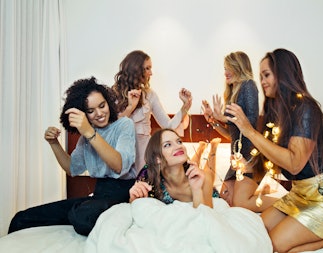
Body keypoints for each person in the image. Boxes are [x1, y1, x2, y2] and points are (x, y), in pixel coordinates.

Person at [225, 48, 323, 252]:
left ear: (282, 75)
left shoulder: (306, 109)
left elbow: (294, 162)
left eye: (266, 75)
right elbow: (267, 158)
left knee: (276, 245)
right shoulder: (276, 115)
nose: (262, 82)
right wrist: (241, 171)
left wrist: (249, 131)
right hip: (299, 193)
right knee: (258, 231)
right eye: (261, 76)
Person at [8, 77, 137, 236]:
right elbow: (71, 168)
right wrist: (54, 143)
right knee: (22, 218)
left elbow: (119, 165)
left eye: (102, 106)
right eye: (90, 111)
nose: (99, 114)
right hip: (98, 197)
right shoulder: (85, 139)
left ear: (108, 103)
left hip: (123, 196)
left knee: (84, 215)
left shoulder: (124, 125)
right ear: (84, 114)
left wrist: (89, 131)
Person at [201, 51, 271, 211]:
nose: (225, 72)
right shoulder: (233, 93)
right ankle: (263, 191)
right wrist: (213, 121)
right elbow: (231, 134)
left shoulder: (249, 85)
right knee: (226, 199)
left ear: (239, 67)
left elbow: (251, 121)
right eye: (224, 68)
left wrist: (223, 117)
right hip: (237, 158)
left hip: (250, 157)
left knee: (239, 203)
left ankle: (286, 203)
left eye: (229, 67)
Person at [112, 50, 192, 172]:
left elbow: (168, 125)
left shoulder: (150, 95)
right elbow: (112, 128)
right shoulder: (113, 95)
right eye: (147, 68)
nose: (151, 73)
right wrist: (130, 108)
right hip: (121, 154)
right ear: (136, 70)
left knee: (145, 188)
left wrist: (185, 106)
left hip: (144, 155)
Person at [129, 128, 221, 208]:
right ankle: (200, 149)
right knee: (192, 166)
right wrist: (134, 198)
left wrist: (197, 190)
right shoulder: (150, 179)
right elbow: (136, 207)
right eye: (167, 145)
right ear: (157, 158)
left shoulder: (203, 180)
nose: (178, 146)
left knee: (205, 172)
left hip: (206, 191)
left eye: (179, 141)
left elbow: (206, 218)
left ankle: (213, 149)